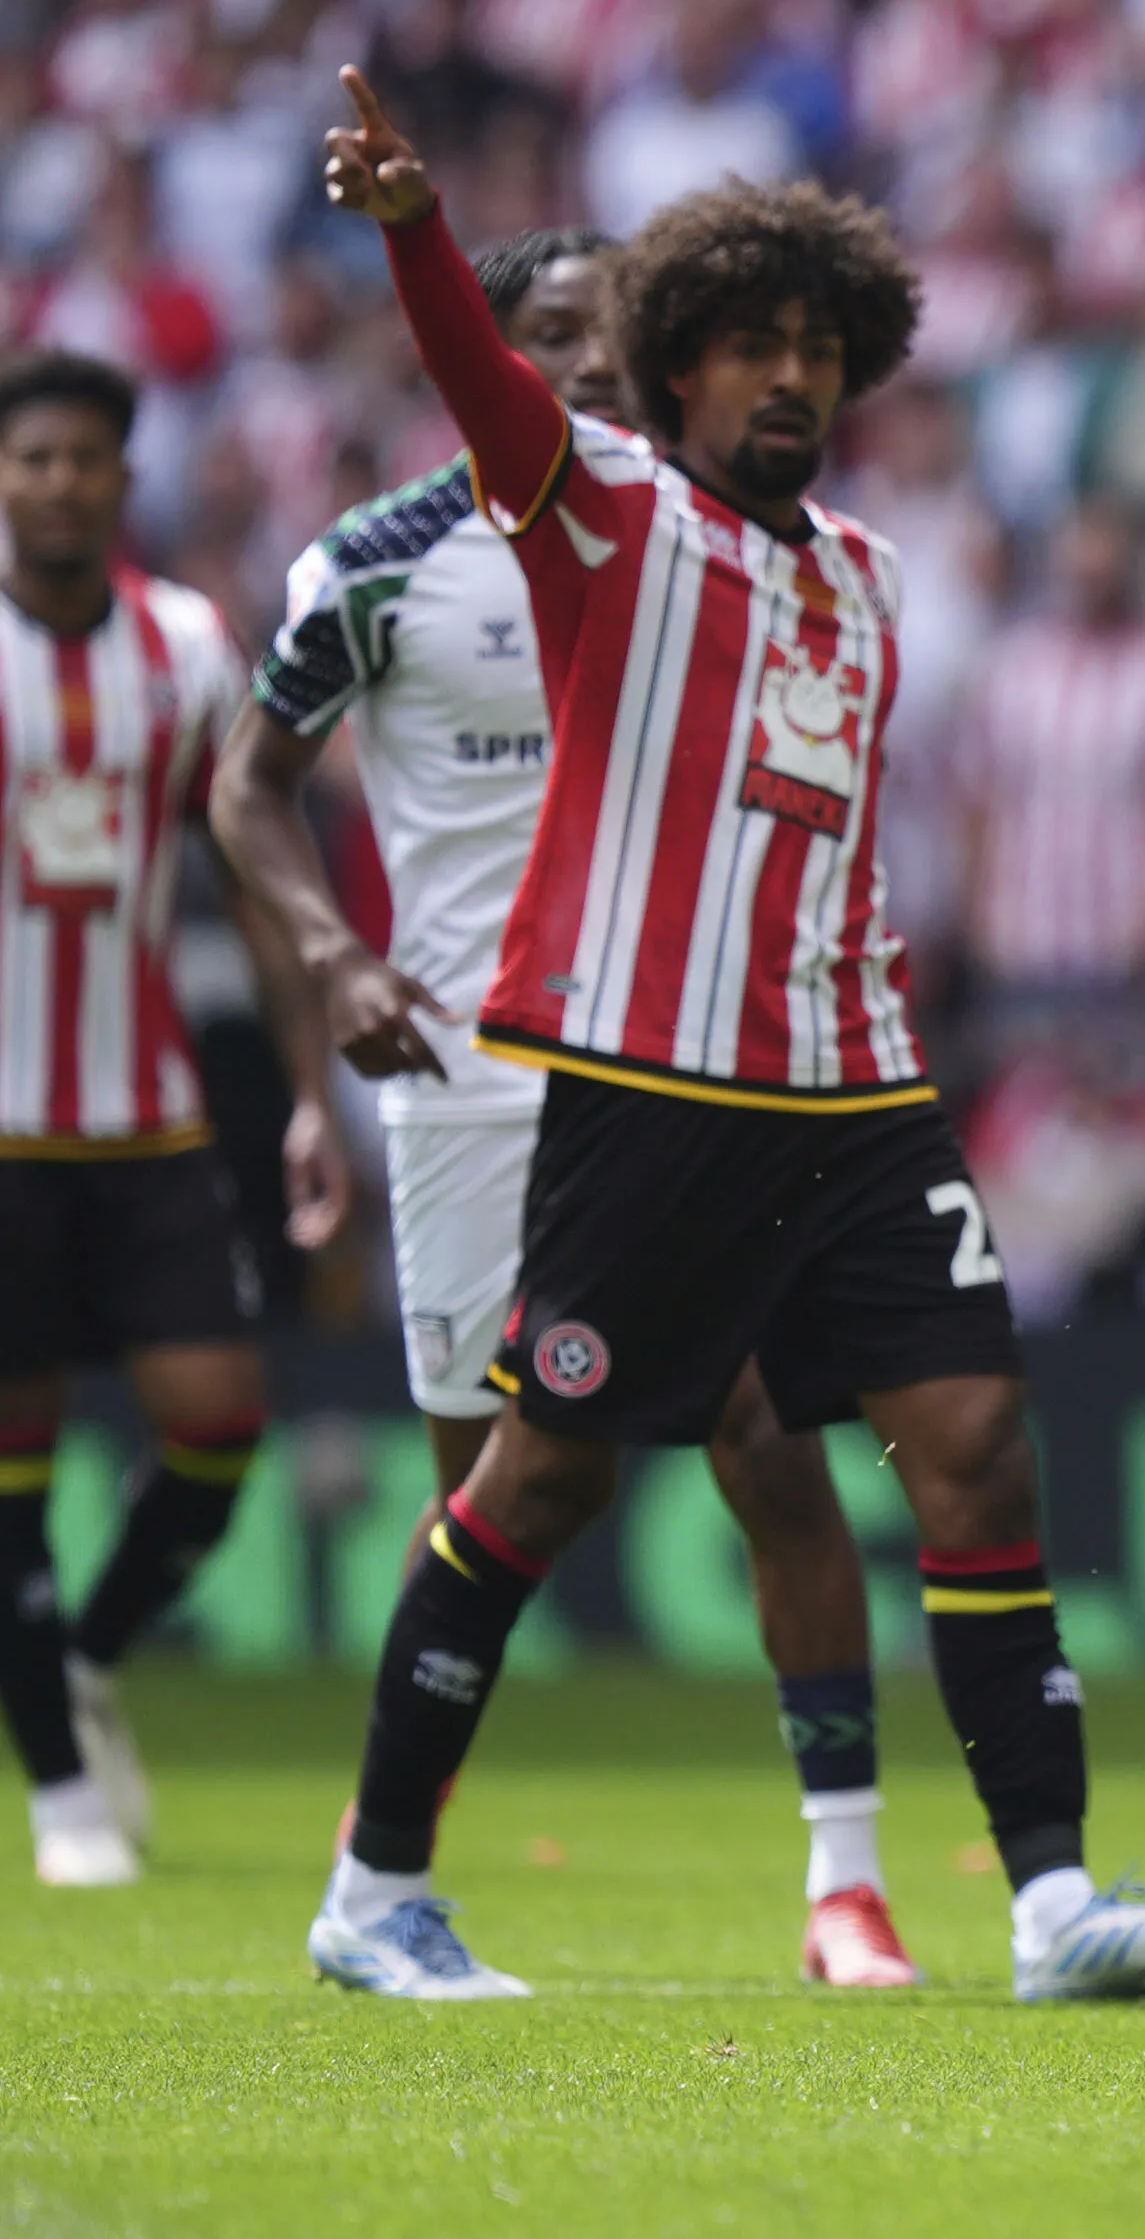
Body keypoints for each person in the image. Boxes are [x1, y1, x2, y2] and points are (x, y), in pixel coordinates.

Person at [305, 69, 1145, 2001]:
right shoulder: (599, 515)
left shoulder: (878, 580)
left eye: (819, 346)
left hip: (859, 1093)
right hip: (653, 1089)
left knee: (979, 1450)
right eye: (748, 345)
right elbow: (491, 394)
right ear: (669, 371)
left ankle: (1054, 1902)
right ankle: (372, 1892)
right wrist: (416, 231)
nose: (789, 379)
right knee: (537, 1485)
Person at [208, 228, 919, 1986]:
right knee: (521, 1489)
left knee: (768, 1441)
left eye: (613, 348)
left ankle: (847, 1885)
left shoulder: (706, 559)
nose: (589, 380)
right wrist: (337, 964)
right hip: (462, 1079)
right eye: (552, 348)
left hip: (674, 1070)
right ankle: (384, 1881)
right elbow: (246, 789)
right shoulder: (377, 566)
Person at [0, 348, 335, 1889]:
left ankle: (80, 1654)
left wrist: (314, 1081)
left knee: (218, 1430)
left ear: (122, 479)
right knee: (15, 1462)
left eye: (84, 458)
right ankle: (63, 1790)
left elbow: (251, 871)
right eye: (33, 459)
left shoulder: (189, 644)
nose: (59, 482)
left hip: (148, 1122)